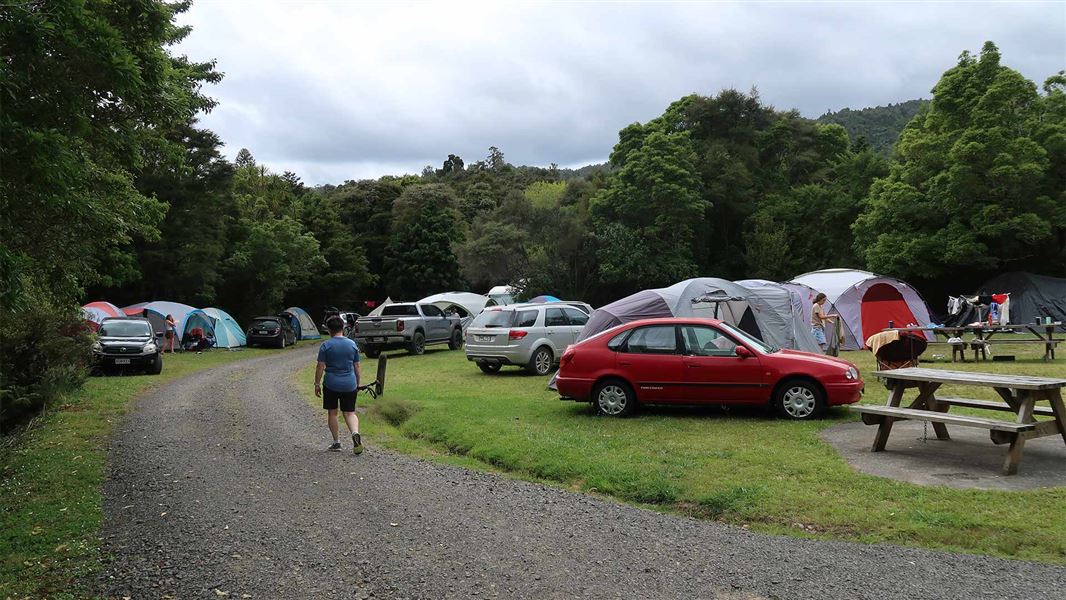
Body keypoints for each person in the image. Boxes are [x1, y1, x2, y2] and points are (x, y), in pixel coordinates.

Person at [314, 316, 363, 454]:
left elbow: (320, 366)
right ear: (343, 328)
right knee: (350, 412)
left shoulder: (326, 345)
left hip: (331, 384)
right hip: (349, 384)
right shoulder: (352, 344)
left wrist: (317, 384)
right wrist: (357, 383)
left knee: (332, 413)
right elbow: (357, 366)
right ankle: (354, 433)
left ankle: (336, 442)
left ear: (329, 330)